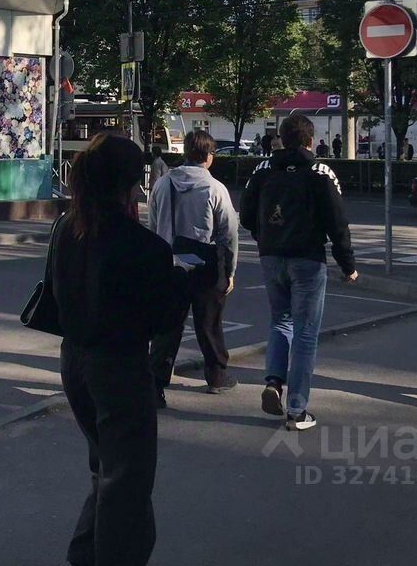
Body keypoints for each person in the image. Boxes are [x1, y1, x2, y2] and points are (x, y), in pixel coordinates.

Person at [51, 133, 181, 566]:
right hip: (120, 370)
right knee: (127, 483)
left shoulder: (67, 228)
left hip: (74, 362)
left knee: (107, 468)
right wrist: (183, 286)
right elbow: (161, 321)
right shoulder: (143, 245)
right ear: (129, 184)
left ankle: (84, 554)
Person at [241, 114, 357, 431]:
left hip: (270, 256)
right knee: (306, 333)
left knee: (281, 320)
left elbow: (246, 214)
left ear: (281, 138)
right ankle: (296, 409)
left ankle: (273, 382)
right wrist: (347, 264)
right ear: (310, 140)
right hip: (307, 258)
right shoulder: (320, 172)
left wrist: (264, 236)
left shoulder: (263, 170)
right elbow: (337, 222)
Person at [148, 130, 239, 403]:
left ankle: (155, 384)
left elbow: (153, 225)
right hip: (205, 267)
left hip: (169, 265)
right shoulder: (215, 188)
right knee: (209, 323)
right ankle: (217, 377)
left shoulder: (163, 183)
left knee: (167, 328)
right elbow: (229, 233)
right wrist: (230, 271)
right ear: (208, 156)